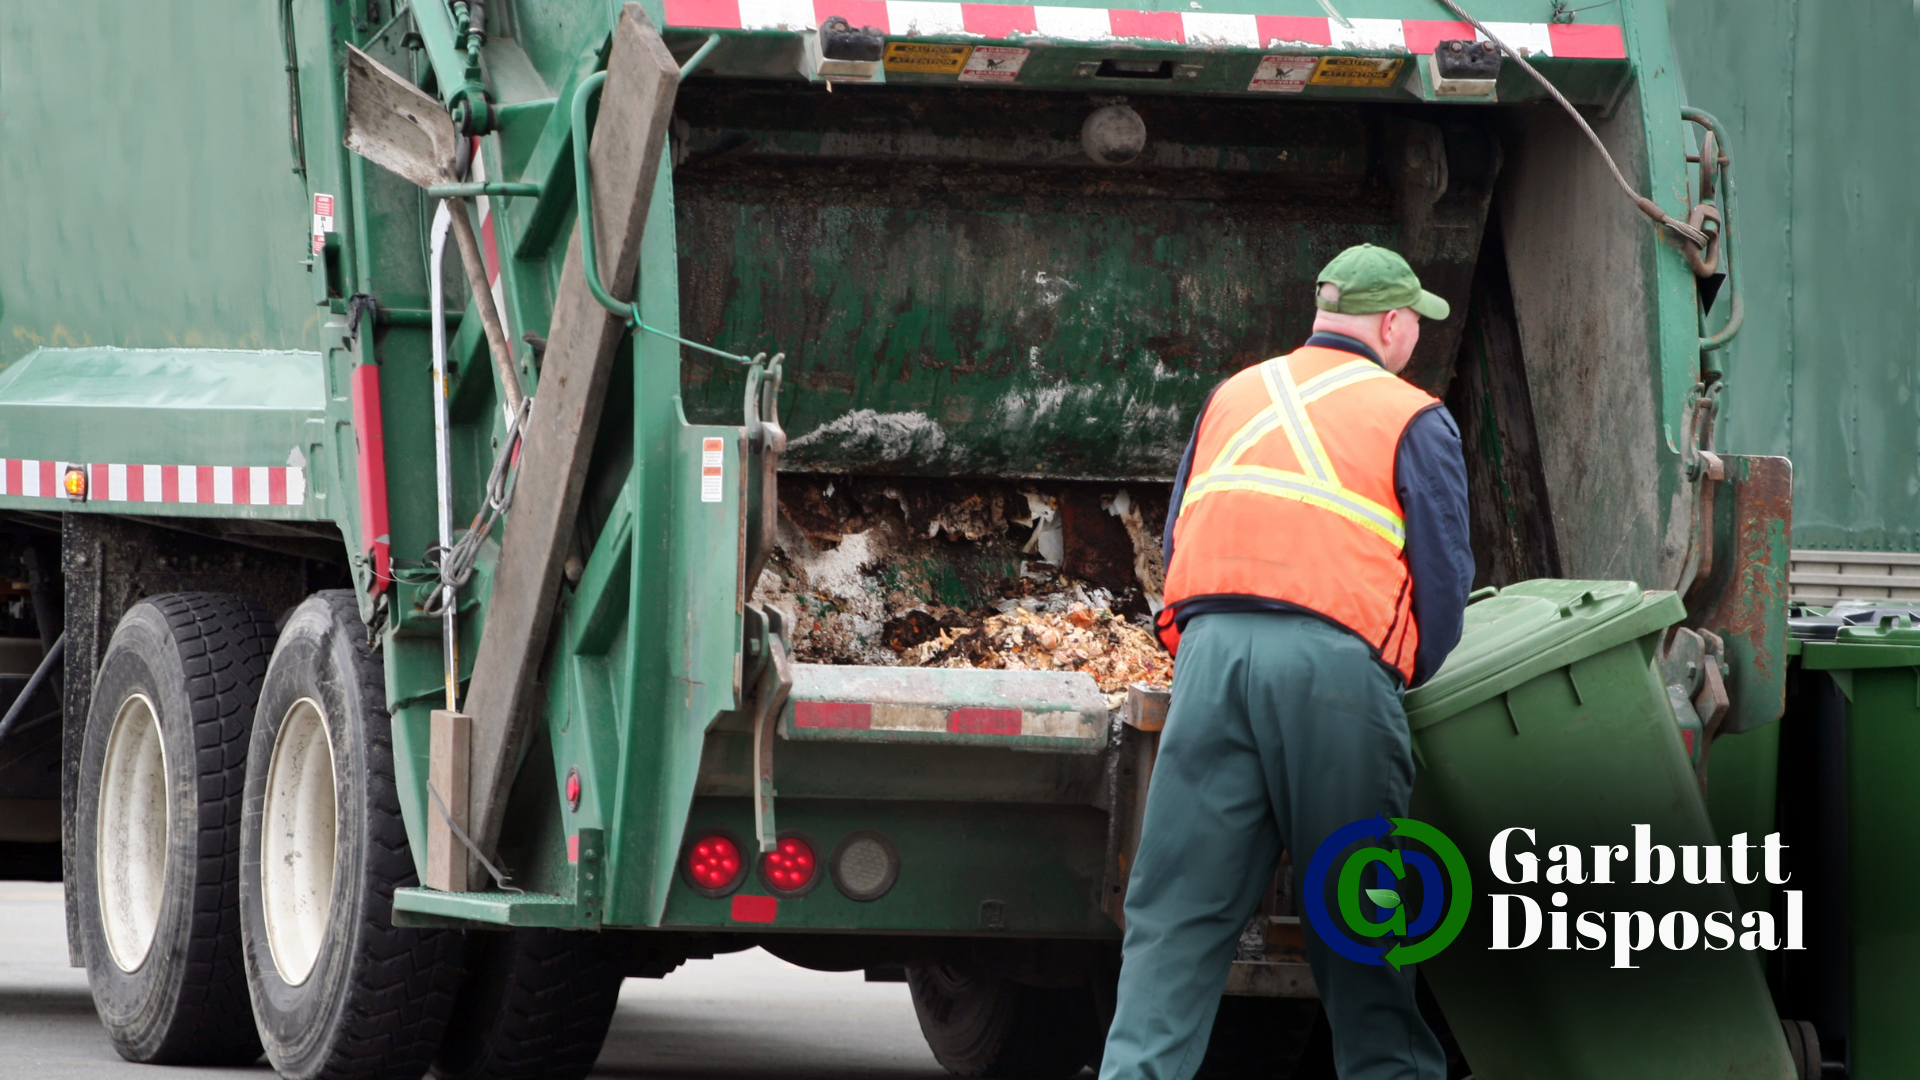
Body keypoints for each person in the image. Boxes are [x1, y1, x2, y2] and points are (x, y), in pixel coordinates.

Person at [1102, 245, 1473, 1080]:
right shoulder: (1411, 413)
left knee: (1177, 915)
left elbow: (1177, 534)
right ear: (1390, 324)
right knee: (1361, 920)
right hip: (1334, 675)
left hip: (1209, 660)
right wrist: (1405, 670)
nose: (1416, 336)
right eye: (1416, 321)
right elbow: (1445, 575)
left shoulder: (1234, 395)